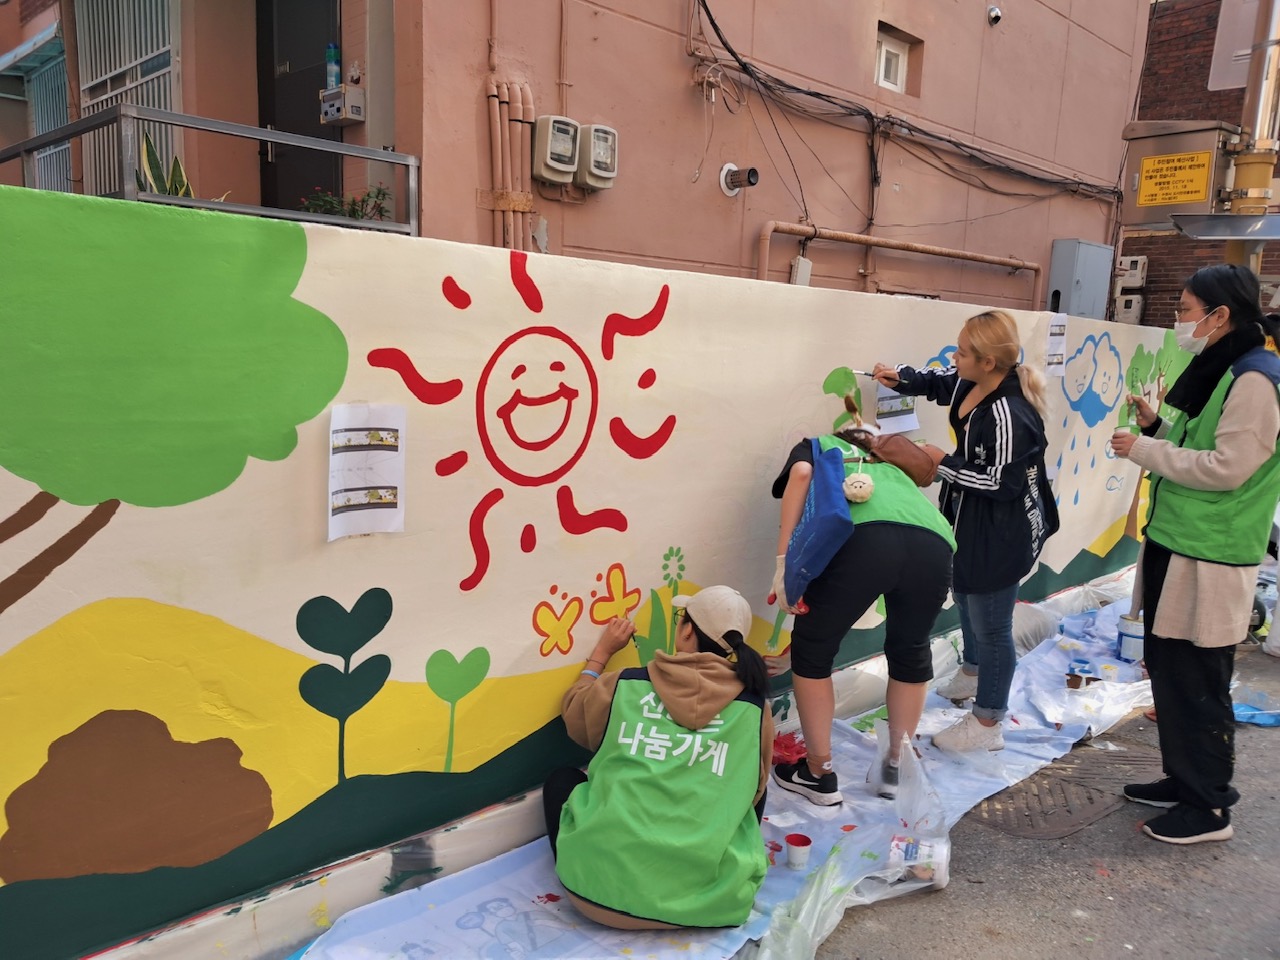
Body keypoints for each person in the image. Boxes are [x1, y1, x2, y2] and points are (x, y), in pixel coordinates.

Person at [1110, 263, 1280, 845]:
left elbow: (1229, 469)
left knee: (1200, 678)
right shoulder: (1222, 368)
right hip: (1178, 541)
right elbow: (1201, 442)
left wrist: (1144, 451)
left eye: (1183, 310)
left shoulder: (1255, 378)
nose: (1178, 322)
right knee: (1171, 670)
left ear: (1220, 315)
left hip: (1210, 554)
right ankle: (1183, 780)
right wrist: (1156, 427)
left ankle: (1209, 807)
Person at [872, 309, 1058, 752]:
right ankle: (973, 671)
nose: (954, 358)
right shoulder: (973, 383)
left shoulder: (1011, 413)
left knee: (993, 624)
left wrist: (942, 463)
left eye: (961, 352)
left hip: (1001, 529)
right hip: (967, 519)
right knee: (965, 594)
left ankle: (988, 723)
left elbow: (1003, 483)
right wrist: (902, 380)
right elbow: (941, 383)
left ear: (988, 362)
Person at [543, 585, 772, 929]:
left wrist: (601, 654)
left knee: (563, 781)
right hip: (705, 905)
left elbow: (575, 714)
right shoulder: (755, 709)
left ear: (687, 630)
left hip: (591, 895)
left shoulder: (625, 683)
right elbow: (753, 789)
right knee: (752, 785)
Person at [768, 396, 955, 804]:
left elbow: (801, 474)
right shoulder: (891, 463)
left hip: (863, 540)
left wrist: (784, 565)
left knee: (813, 653)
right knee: (910, 651)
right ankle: (895, 766)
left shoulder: (818, 445)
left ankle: (818, 772)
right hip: (935, 543)